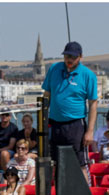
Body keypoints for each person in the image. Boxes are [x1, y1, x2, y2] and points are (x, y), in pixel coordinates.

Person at [42, 41, 99, 179]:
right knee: (56, 163)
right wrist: (42, 120)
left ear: (80, 57)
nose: (69, 60)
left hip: (75, 125)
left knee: (80, 164)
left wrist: (90, 131)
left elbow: (93, 104)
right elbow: (47, 95)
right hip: (55, 124)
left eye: (73, 57)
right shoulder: (54, 69)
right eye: (67, 56)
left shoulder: (88, 75)